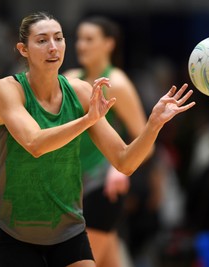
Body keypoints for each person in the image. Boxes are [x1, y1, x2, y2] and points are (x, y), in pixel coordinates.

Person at [0, 11, 195, 267]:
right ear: (23, 49)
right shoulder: (7, 89)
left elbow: (125, 162)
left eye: (59, 38)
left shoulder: (82, 91)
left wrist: (154, 124)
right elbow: (35, 144)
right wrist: (87, 120)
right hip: (15, 228)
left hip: (68, 224)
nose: (53, 47)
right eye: (42, 40)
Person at [63, 16, 148, 267]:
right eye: (79, 39)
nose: (81, 45)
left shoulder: (118, 84)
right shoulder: (69, 78)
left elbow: (146, 141)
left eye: (89, 39)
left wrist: (116, 169)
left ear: (109, 44)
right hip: (70, 186)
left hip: (103, 186)